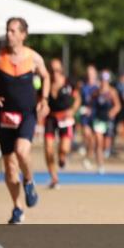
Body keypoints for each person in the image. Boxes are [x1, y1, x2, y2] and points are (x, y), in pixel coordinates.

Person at [0, 17, 50, 224]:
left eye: (14, 31)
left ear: (23, 35)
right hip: (4, 115)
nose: (9, 34)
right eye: (8, 30)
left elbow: (46, 76)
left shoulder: (33, 58)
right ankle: (17, 208)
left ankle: (29, 181)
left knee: (22, 150)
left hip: (27, 114)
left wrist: (44, 99)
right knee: (9, 167)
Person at [43, 59, 80, 189]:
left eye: (57, 70)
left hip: (65, 118)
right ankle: (54, 178)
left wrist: (73, 110)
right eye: (52, 71)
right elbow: (40, 99)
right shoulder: (45, 83)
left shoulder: (69, 83)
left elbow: (77, 99)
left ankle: (62, 157)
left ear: (62, 70)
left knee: (64, 149)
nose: (55, 73)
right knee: (48, 148)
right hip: (51, 118)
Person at [90, 70, 122, 173]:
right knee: (98, 142)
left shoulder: (112, 92)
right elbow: (91, 103)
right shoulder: (96, 92)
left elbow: (118, 106)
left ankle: (105, 154)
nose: (104, 82)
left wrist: (112, 112)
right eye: (102, 80)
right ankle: (100, 164)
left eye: (106, 80)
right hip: (98, 120)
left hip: (108, 120)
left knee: (105, 144)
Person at [77, 65, 100, 169]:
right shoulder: (83, 87)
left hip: (95, 116)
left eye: (92, 73)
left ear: (95, 74)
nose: (90, 75)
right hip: (85, 116)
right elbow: (79, 100)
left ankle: (88, 158)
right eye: (88, 73)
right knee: (87, 134)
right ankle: (83, 144)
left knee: (93, 141)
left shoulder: (99, 87)